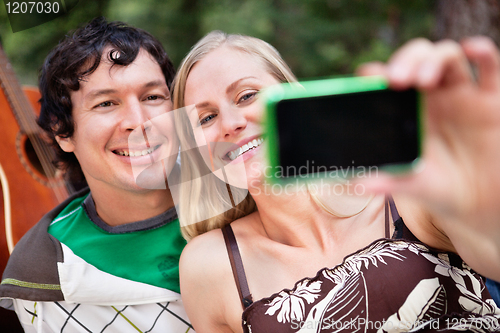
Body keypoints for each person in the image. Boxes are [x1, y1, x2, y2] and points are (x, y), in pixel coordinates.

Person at [173, 31, 500, 332]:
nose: (230, 124)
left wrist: (484, 194)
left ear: (291, 94)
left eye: (246, 96)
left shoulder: (403, 188)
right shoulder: (209, 266)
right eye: (206, 118)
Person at [0, 17, 193, 332]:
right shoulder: (43, 271)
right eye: (106, 103)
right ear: (63, 132)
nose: (138, 121)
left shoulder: (239, 196)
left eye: (153, 97)